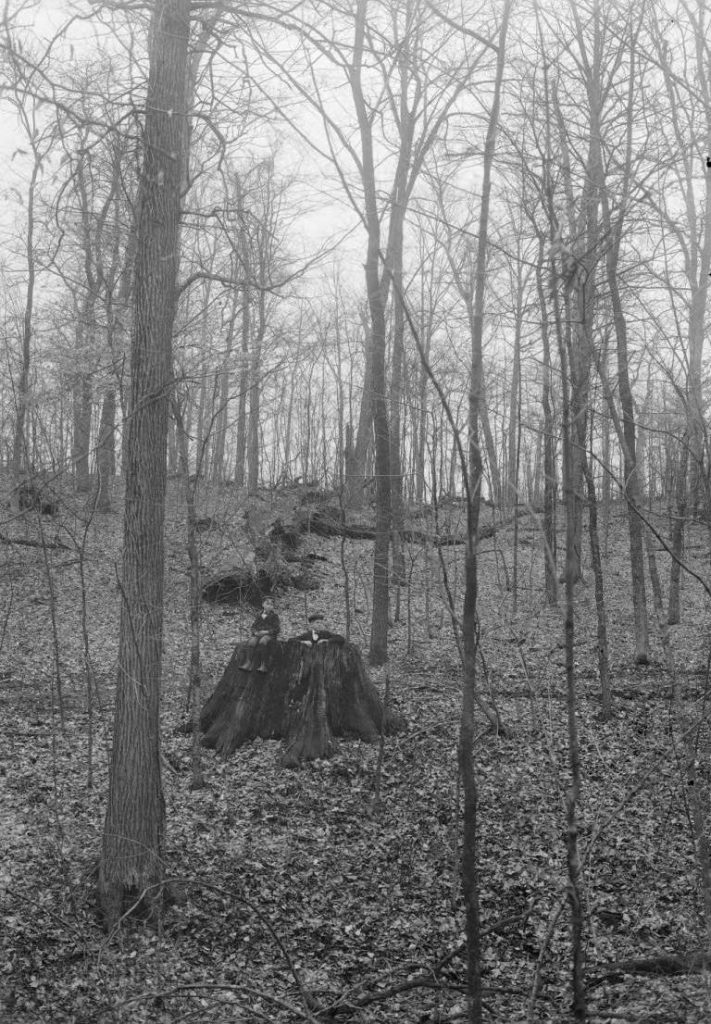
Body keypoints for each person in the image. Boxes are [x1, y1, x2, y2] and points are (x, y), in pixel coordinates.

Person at [239, 597, 280, 672]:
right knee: (251, 642)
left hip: (269, 635)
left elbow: (277, 629)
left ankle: (263, 665)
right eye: (267, 604)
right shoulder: (259, 615)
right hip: (258, 634)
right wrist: (255, 632)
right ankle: (248, 663)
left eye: (271, 605)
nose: (269, 606)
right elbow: (253, 626)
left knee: (263, 642)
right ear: (263, 604)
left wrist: (267, 632)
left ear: (273, 607)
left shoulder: (275, 616)